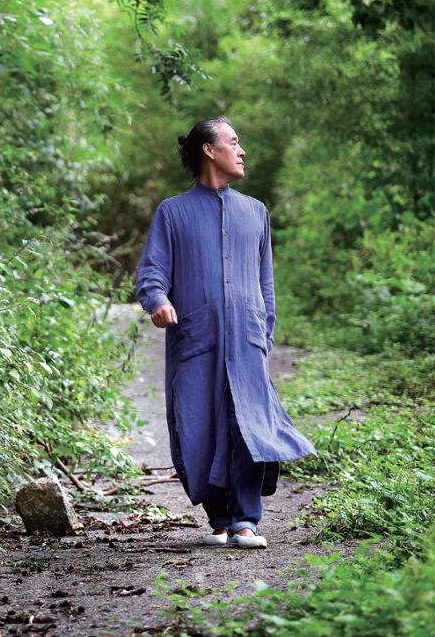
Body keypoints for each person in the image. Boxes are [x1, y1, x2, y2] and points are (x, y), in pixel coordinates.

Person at [135, 116, 315, 549]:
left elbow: (265, 283)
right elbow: (153, 271)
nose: (242, 150)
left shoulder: (255, 212)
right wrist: (158, 301)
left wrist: (264, 334)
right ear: (209, 150)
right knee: (197, 426)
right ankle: (218, 517)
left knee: (250, 424)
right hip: (195, 340)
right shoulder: (173, 212)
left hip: (247, 340)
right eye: (233, 142)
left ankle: (246, 521)